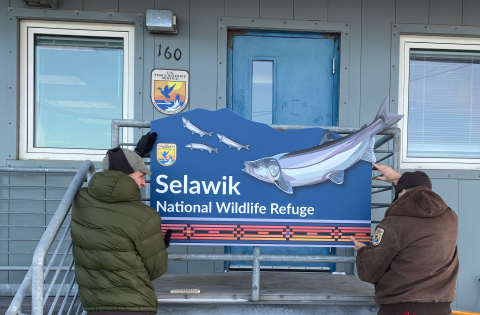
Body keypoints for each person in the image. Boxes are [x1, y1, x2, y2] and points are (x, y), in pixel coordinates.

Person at [71, 132, 172, 315]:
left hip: (94, 306)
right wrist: (159, 248)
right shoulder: (146, 217)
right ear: (126, 176)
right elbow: (155, 271)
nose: (143, 183)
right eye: (141, 176)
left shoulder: (81, 200)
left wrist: (137, 155)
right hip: (136, 306)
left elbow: (114, 182)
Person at [351, 163, 459, 315]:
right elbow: (417, 196)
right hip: (441, 308)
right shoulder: (450, 217)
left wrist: (362, 250)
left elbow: (368, 272)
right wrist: (400, 180)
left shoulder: (394, 223)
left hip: (402, 309)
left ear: (402, 193)